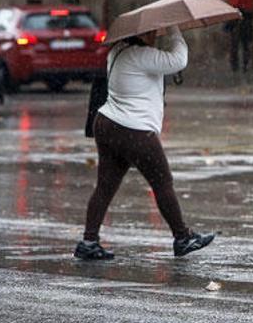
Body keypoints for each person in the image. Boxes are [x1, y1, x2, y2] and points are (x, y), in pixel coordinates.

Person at [75, 26, 214, 260]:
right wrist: (175, 31)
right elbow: (179, 60)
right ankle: (183, 238)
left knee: (105, 186)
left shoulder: (117, 51)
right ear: (140, 34)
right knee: (162, 182)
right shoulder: (143, 55)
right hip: (134, 129)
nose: (154, 37)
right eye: (151, 33)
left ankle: (89, 241)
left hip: (107, 124)